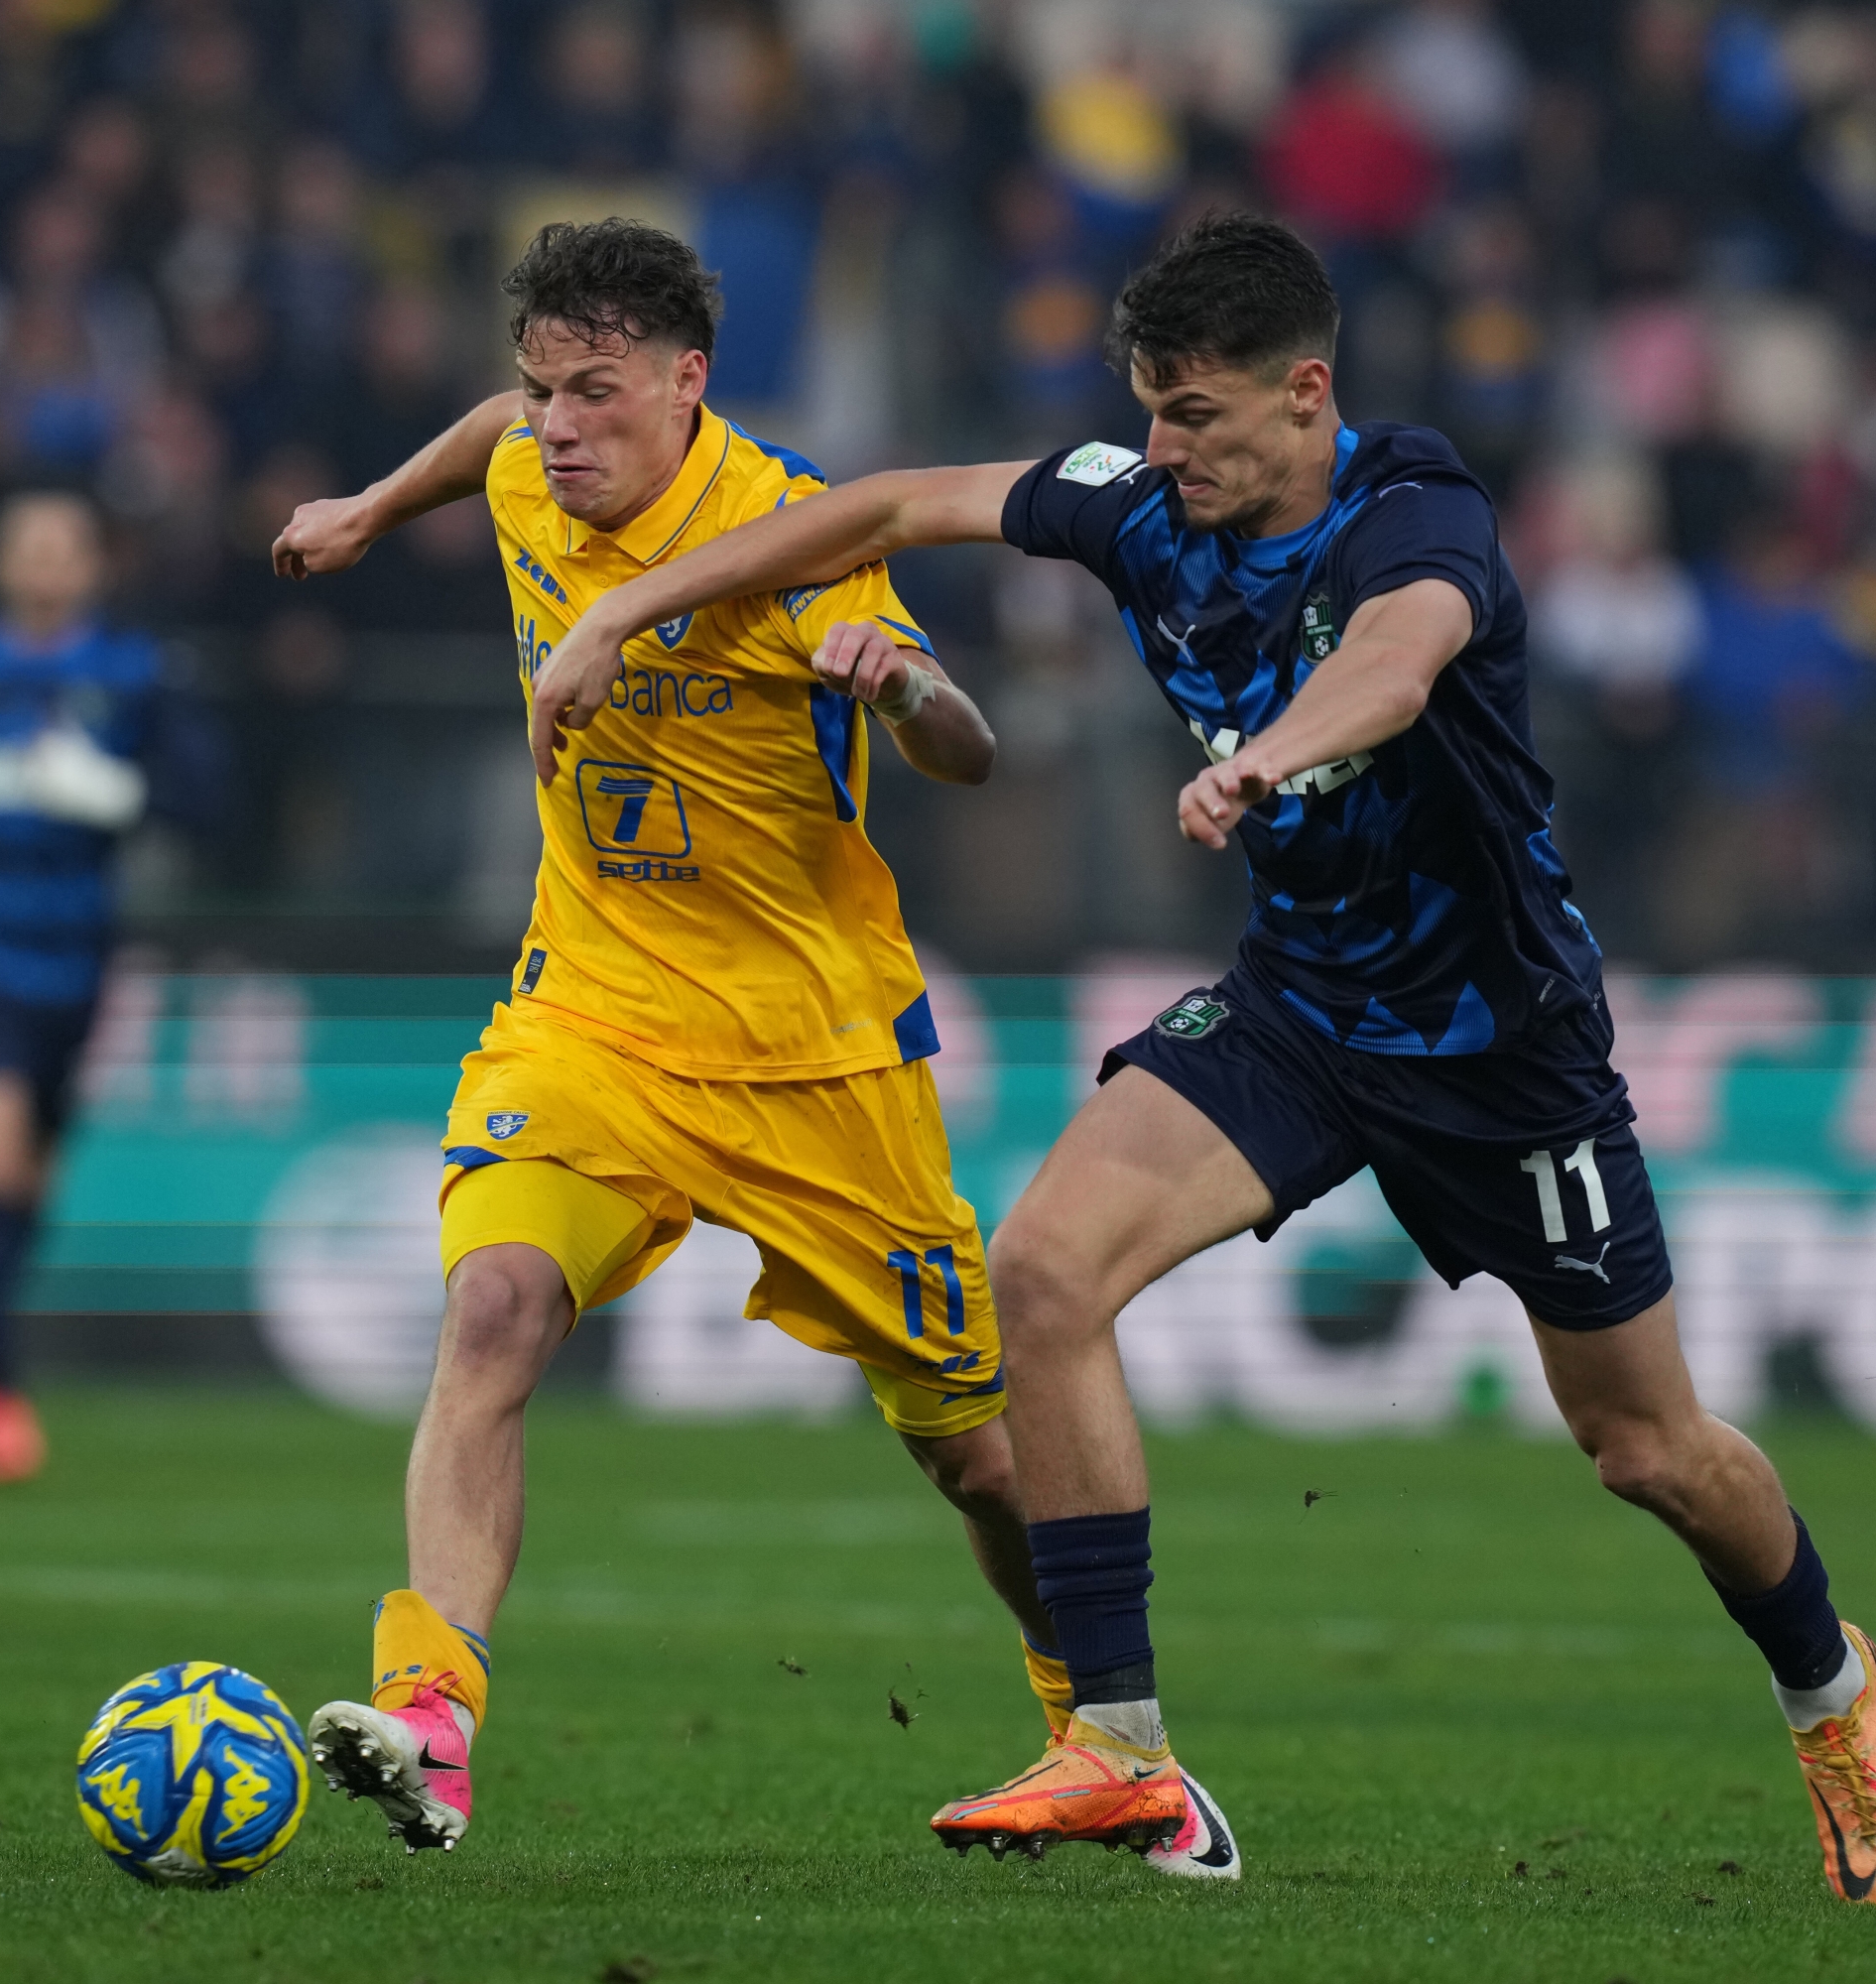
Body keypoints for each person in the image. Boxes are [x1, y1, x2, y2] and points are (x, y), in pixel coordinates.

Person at [538, 213, 1876, 1902]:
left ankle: (1830, 1689)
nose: (1163, 447)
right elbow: (890, 507)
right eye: (1149, 408)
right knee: (1038, 1275)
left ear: (1304, 394)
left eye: (1193, 415)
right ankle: (1119, 1747)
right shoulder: (1138, 500)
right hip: (1300, 1012)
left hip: (1504, 1052)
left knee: (1650, 1451)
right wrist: (635, 609)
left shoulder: (1416, 513)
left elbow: (1400, 667)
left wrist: (1264, 761)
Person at [268, 218, 1236, 1878]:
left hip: (817, 1060)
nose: (560, 424)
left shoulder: (793, 528)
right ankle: (430, 1714)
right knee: (494, 1308)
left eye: (596, 391)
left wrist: (901, 686)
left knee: (982, 1458)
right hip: (591, 1011)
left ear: (686, 381)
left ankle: (1106, 1733)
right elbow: (488, 442)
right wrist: (371, 505)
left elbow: (972, 750)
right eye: (544, 389)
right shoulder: (523, 463)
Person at [0, 490, 220, 1483]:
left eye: (66, 548)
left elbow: (202, 798)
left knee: (32, 1179)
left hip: (80, 948)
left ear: (95, 565)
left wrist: (111, 790)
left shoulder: (136, 673)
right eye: (30, 547)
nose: (47, 565)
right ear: (0, 563)